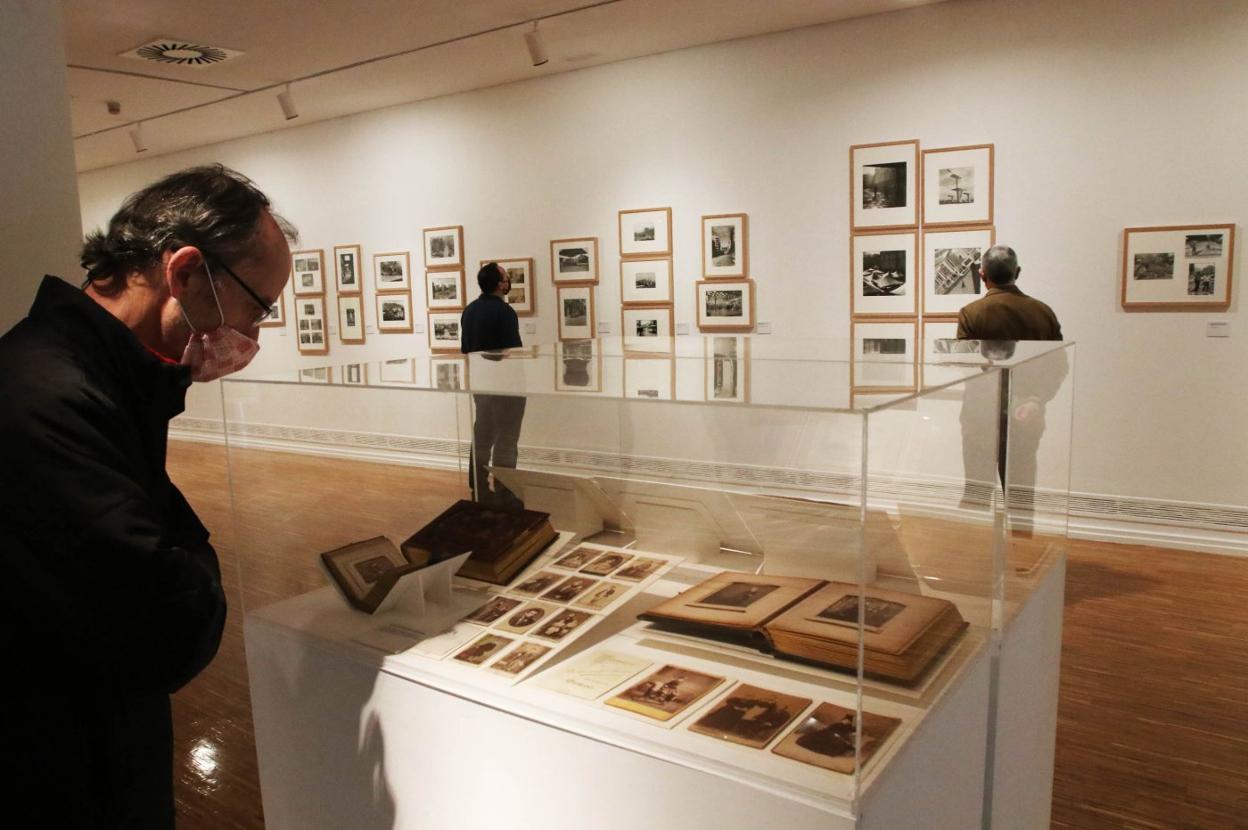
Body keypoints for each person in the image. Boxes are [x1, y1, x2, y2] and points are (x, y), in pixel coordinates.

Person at [0, 164, 295, 828]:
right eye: (258, 307)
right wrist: (193, 560)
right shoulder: (45, 399)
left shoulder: (91, 378)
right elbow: (171, 629)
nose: (254, 335)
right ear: (185, 273)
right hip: (62, 779)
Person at [460, 263, 525, 505]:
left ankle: (478, 489)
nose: (508, 281)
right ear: (500, 284)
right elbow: (511, 352)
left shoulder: (469, 311)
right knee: (506, 438)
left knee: (482, 436)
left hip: (481, 384)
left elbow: (466, 351)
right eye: (506, 277)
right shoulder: (505, 312)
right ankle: (505, 492)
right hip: (506, 386)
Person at [956, 245, 1062, 341]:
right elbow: (1058, 355)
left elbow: (963, 356)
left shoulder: (969, 314)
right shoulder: (1045, 312)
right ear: (1017, 272)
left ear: (982, 276)